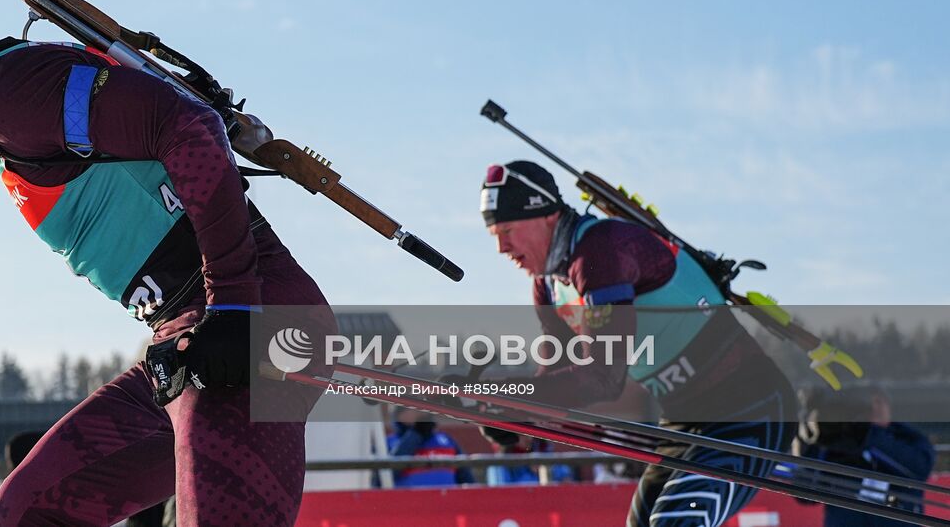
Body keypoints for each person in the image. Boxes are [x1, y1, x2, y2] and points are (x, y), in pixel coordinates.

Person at [0, 0, 332, 526]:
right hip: (195, 334)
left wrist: (236, 304)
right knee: (22, 515)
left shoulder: (8, 94)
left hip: (245, 326)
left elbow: (191, 126)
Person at [480, 160, 796, 527]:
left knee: (675, 523)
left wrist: (514, 396)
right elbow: (556, 378)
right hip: (684, 423)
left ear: (546, 216)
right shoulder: (548, 285)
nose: (502, 246)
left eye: (508, 229)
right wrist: (512, 420)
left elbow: (602, 377)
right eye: (493, 235)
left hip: (749, 407)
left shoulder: (601, 251)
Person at [795, 387, 935, 527]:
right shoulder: (835, 441)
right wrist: (817, 438)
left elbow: (920, 469)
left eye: (879, 402)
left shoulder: (906, 436)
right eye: (867, 403)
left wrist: (867, 435)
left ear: (889, 406)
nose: (874, 408)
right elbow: (805, 493)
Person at [386, 406, 476, 488]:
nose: (421, 413)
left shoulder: (446, 440)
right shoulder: (389, 443)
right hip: (408, 503)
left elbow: (466, 479)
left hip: (446, 502)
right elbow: (384, 476)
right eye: (411, 408)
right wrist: (415, 435)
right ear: (400, 415)